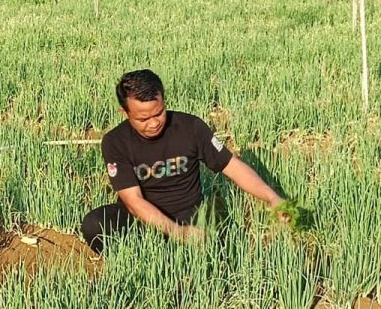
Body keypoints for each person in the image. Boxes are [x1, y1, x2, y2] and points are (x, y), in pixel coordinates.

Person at [80, 69, 289, 253]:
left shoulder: (191, 127)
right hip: (142, 219)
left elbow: (232, 166)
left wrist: (272, 198)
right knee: (94, 224)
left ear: (164, 101)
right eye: (143, 119)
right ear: (124, 112)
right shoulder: (115, 141)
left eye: (158, 113)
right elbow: (133, 201)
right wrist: (176, 232)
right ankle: (138, 260)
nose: (153, 124)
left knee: (220, 244)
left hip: (189, 214)